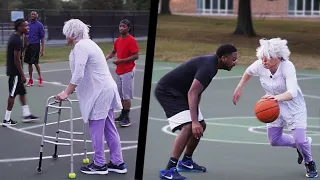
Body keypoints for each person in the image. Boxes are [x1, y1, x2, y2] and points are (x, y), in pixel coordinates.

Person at [232, 38, 318, 178]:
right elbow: (248, 72)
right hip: (273, 105)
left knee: (300, 139)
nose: (264, 60)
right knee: (274, 140)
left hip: (293, 106)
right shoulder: (260, 65)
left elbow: (292, 92)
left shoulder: (287, 67)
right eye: (262, 57)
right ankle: (300, 145)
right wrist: (239, 87)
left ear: (278, 57)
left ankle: (309, 162)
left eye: (267, 57)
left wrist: (275, 98)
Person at [154, 44, 238, 180]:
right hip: (168, 92)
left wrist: (196, 118)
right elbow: (193, 92)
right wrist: (193, 121)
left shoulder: (213, 66)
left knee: (201, 125)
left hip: (182, 93)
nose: (236, 62)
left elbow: (197, 92)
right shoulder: (209, 67)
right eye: (233, 59)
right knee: (188, 127)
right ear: (223, 58)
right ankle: (169, 170)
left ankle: (186, 161)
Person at [56, 19, 127, 175]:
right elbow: (85, 73)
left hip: (100, 92)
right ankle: (117, 162)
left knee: (96, 129)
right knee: (109, 127)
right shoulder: (88, 44)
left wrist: (66, 92)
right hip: (105, 88)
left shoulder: (82, 46)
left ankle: (100, 164)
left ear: (72, 33)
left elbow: (79, 73)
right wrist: (74, 88)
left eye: (67, 32)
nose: (65, 35)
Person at [2, 18, 40, 126]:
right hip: (15, 73)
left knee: (22, 92)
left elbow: (24, 47)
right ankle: (6, 119)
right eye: (25, 26)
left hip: (16, 72)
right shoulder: (16, 40)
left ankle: (27, 114)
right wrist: (23, 75)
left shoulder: (17, 37)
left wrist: (26, 36)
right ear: (19, 27)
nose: (27, 27)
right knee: (12, 95)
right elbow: (16, 60)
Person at [105, 19, 139, 127]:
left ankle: (127, 118)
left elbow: (136, 56)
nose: (121, 28)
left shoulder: (131, 40)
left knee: (126, 96)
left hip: (128, 71)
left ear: (128, 28)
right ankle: (122, 115)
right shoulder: (118, 40)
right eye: (120, 26)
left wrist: (121, 61)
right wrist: (106, 57)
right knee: (119, 95)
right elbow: (114, 51)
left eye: (124, 26)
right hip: (119, 71)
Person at [24, 11, 45, 87]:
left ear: (37, 16)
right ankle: (30, 80)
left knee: (35, 63)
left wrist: (43, 49)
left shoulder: (39, 25)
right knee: (29, 63)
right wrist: (25, 45)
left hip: (36, 45)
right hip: (29, 46)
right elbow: (25, 36)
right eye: (31, 14)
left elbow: (42, 38)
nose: (32, 15)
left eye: (34, 14)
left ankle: (40, 79)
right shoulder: (28, 25)